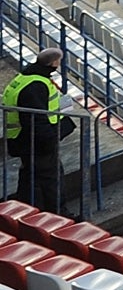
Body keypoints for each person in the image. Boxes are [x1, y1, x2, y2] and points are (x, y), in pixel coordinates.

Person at [5, 50, 66, 210]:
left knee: (29, 177)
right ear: (54, 63)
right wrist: (49, 141)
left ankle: (24, 211)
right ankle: (58, 216)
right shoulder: (36, 85)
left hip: (25, 140)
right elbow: (34, 120)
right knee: (50, 179)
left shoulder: (27, 78)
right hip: (36, 142)